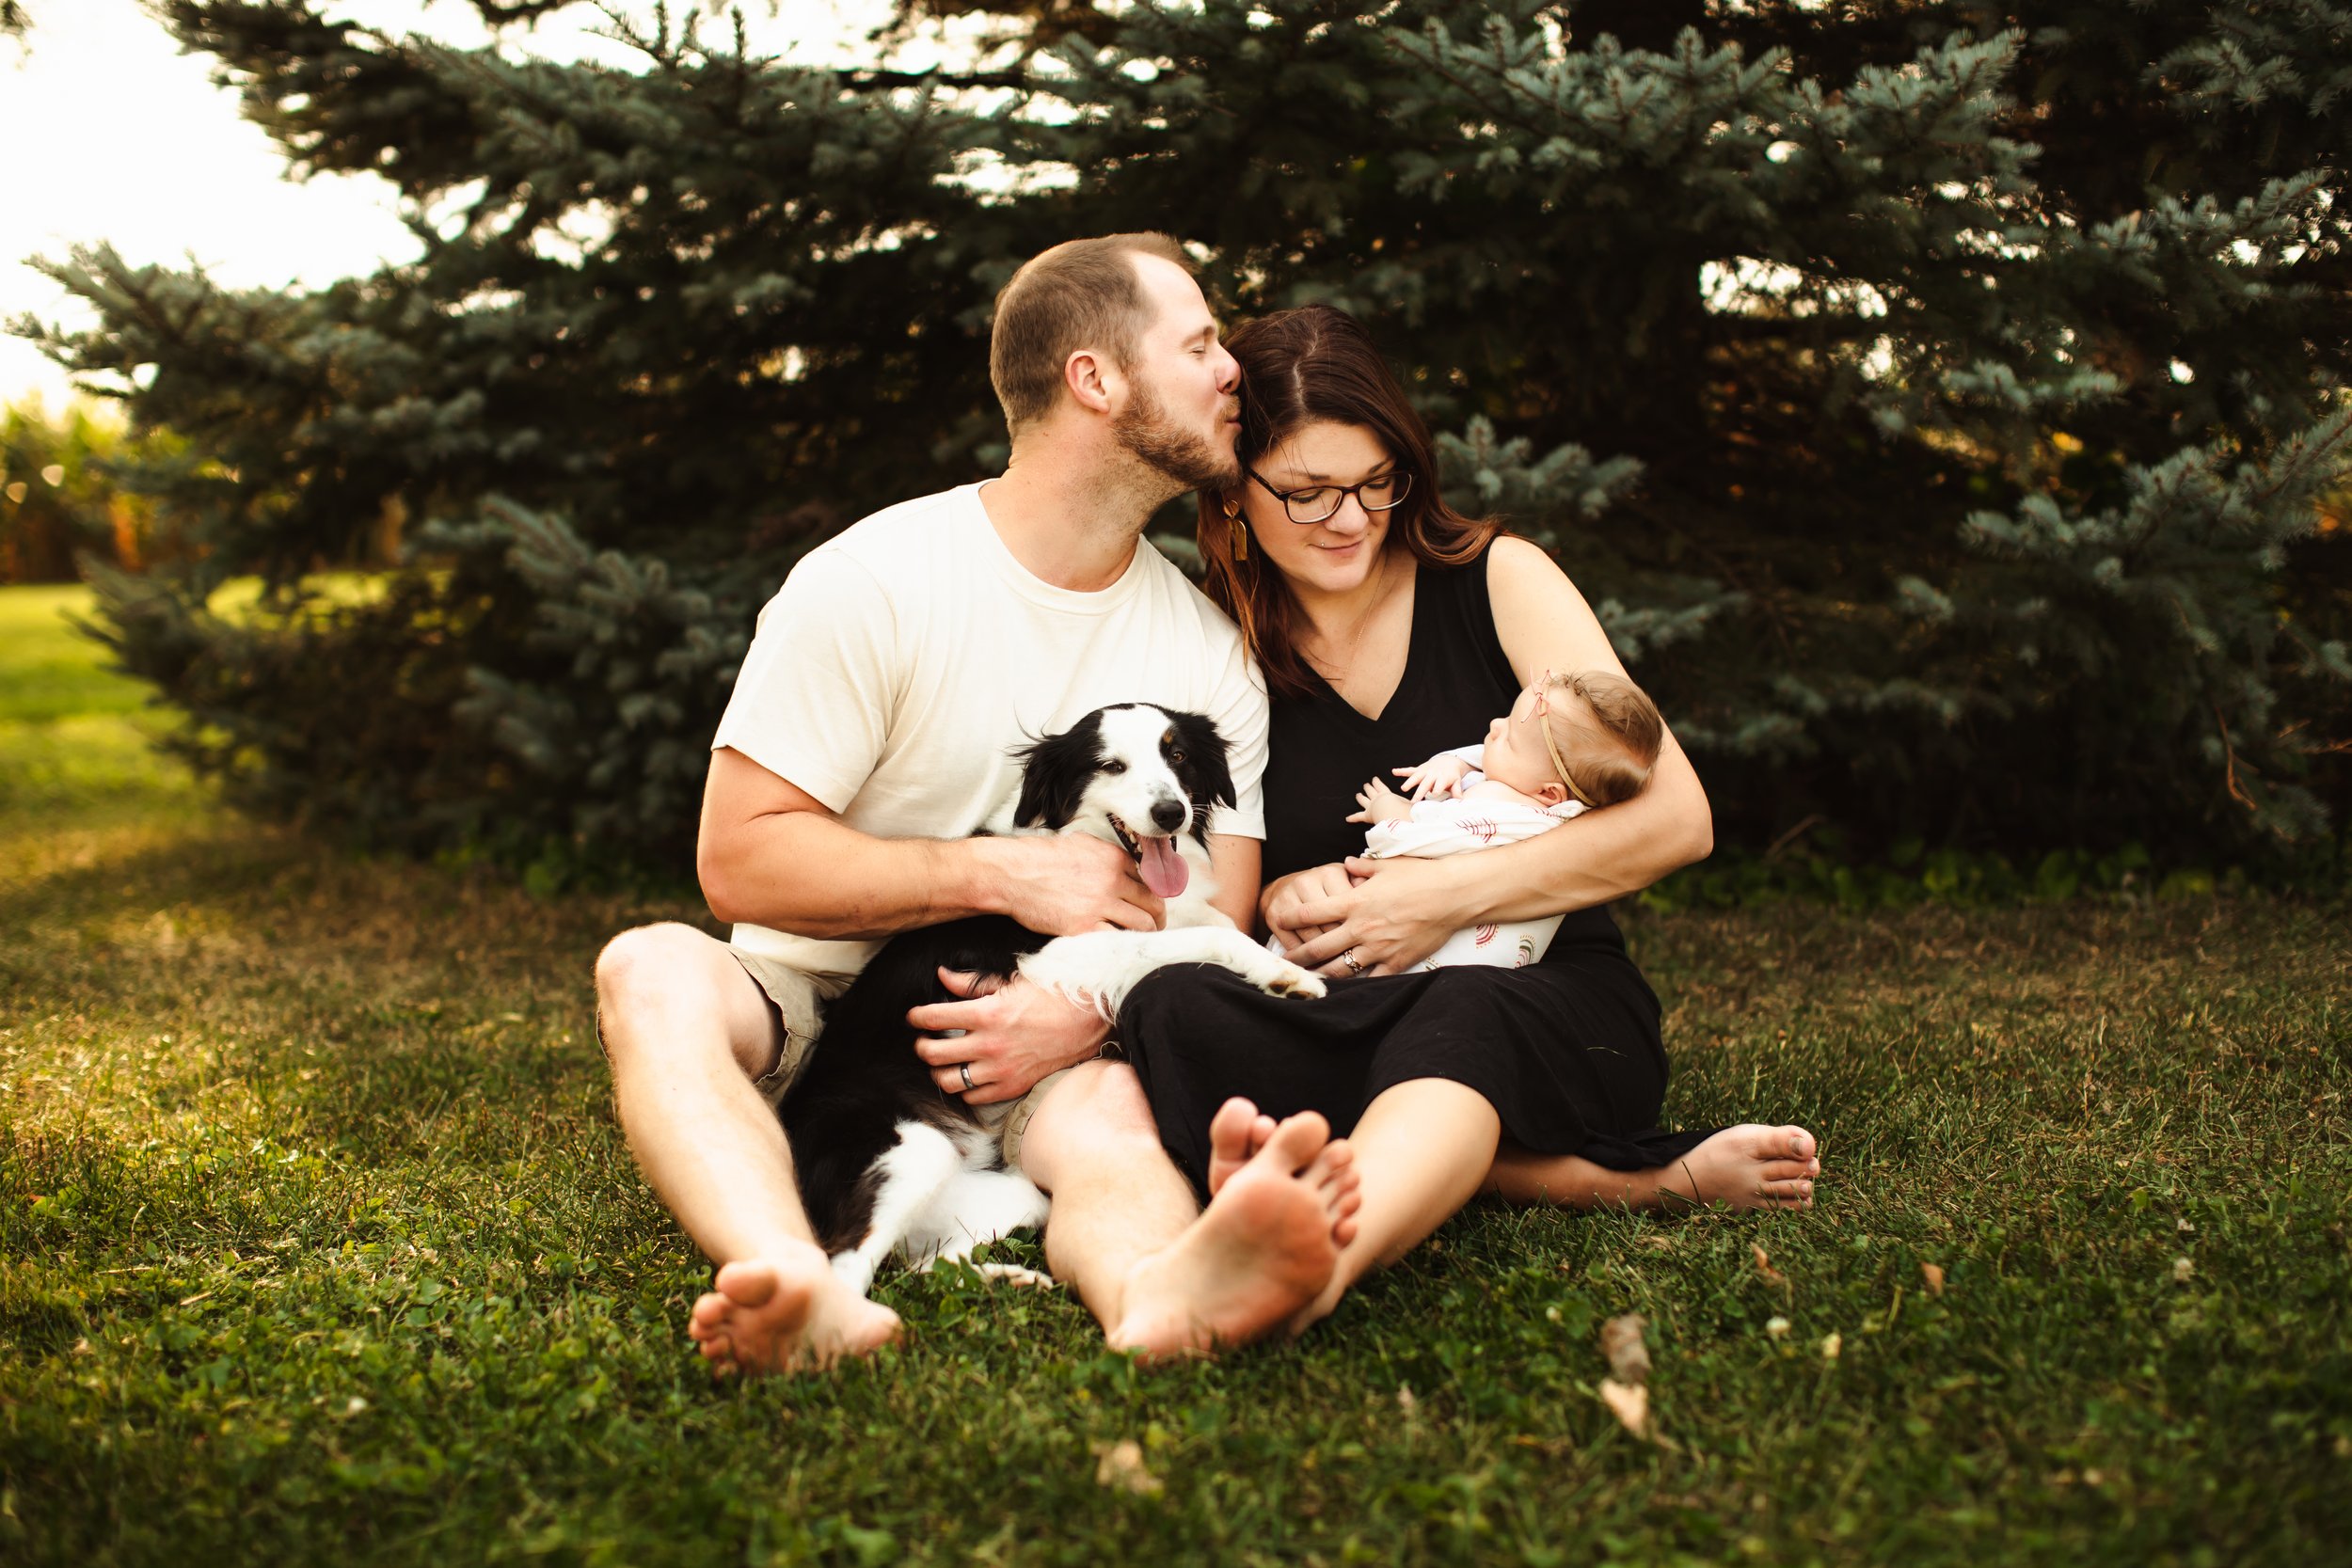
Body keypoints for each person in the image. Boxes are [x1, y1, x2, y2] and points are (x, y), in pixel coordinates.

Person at [593, 234, 1361, 1375]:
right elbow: (739, 861)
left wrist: (1078, 1017)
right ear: (1095, 379)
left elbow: (1220, 908)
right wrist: (996, 871)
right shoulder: (875, 580)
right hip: (804, 995)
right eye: (1198, 343)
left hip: (1047, 1022)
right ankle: (797, 1278)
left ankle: (1157, 1291)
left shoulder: (1204, 651)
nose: (1230, 369)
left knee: (1106, 1118)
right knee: (648, 967)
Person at [1116, 304, 1820, 1335]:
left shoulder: (1499, 580)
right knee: (1174, 1008)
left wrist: (1440, 894)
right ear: (1233, 496)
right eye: (1305, 494)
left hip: (1534, 991)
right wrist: (1283, 895)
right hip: (1336, 992)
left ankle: (1312, 1268)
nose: (1348, 519)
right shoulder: (1215, 647)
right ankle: (1593, 1179)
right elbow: (1233, 896)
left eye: (1371, 482)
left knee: (1462, 1018)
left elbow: (1678, 817)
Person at [1338, 669, 1665, 970]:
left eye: (1508, 738)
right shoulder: (1560, 806)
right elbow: (1487, 758)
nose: (1495, 725)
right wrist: (1456, 764)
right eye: (1507, 718)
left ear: (1549, 793)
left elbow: (1417, 836)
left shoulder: (1496, 806)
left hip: (1434, 958)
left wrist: (1386, 807)